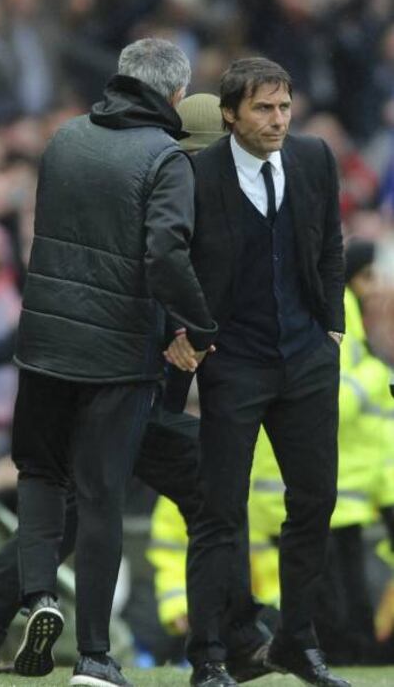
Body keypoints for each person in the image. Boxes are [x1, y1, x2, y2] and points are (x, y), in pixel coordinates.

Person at [10, 39, 218, 687]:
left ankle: (37, 596)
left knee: (40, 474)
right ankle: (94, 659)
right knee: (100, 499)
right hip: (117, 355)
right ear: (175, 95)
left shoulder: (64, 139)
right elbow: (164, 255)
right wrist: (198, 325)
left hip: (43, 340)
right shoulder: (166, 158)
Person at [164, 57, 348, 687]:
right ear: (230, 114)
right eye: (264, 109)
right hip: (233, 361)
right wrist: (182, 329)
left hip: (306, 358)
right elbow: (168, 256)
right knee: (219, 510)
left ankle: (297, 642)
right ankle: (210, 656)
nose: (277, 120)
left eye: (284, 107)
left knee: (315, 500)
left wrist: (332, 329)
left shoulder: (313, 158)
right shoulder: (194, 172)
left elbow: (330, 245)